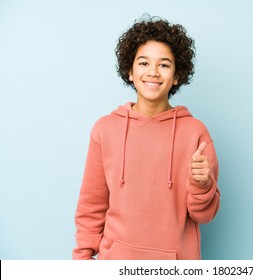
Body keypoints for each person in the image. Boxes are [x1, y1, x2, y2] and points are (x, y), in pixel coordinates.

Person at [72, 15, 220, 260]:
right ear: (130, 71)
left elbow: (204, 215)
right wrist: (82, 259)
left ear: (176, 76)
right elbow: (91, 206)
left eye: (164, 65)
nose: (153, 72)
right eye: (143, 63)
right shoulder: (105, 129)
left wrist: (202, 185)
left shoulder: (195, 132)